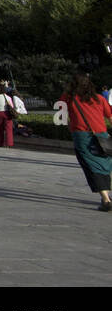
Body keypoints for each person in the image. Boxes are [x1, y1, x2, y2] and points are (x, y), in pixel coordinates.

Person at [59, 74, 112, 211]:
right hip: (102, 134)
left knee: (92, 166)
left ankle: (106, 199)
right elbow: (110, 116)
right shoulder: (99, 98)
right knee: (107, 163)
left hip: (82, 136)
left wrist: (71, 126)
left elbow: (62, 116)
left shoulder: (68, 98)